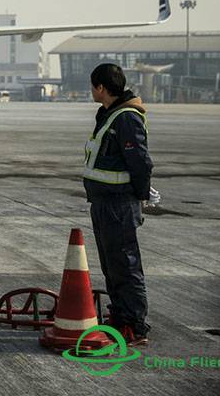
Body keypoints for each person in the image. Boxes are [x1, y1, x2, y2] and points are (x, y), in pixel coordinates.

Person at [84, 63, 153, 345]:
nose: (91, 91)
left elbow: (140, 161)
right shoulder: (109, 115)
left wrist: (141, 195)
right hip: (103, 202)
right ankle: (120, 317)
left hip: (119, 204)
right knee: (112, 265)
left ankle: (134, 326)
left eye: (92, 86)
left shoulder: (125, 118)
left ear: (101, 87)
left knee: (125, 265)